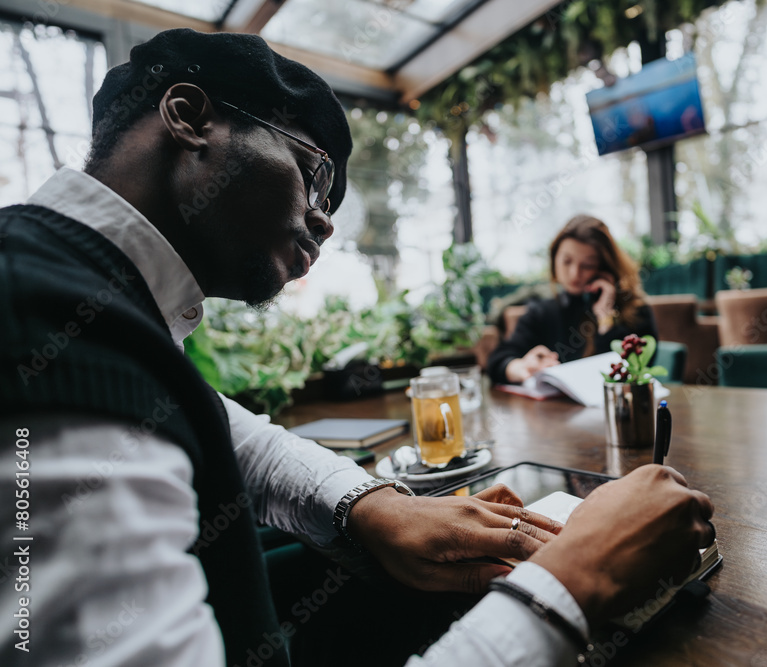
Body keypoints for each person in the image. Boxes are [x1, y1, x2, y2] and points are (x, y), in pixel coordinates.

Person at [0, 29, 713, 666]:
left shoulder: (84, 298)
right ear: (190, 118)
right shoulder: (45, 326)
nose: (324, 222)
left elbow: (218, 423)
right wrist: (573, 585)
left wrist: (369, 502)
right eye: (314, 174)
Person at [487, 215, 659, 385]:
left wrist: (605, 321)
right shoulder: (541, 312)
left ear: (604, 266)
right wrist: (522, 367)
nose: (574, 274)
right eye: (566, 261)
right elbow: (498, 361)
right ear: (554, 259)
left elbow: (631, 374)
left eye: (587, 265)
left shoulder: (635, 311)